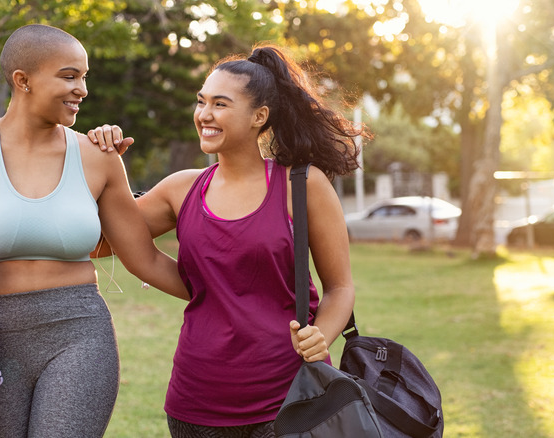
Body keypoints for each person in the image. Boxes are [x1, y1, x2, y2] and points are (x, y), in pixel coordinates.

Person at [0, 24, 189, 438]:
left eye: (84, 77)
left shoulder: (97, 156)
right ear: (23, 80)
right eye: (69, 76)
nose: (82, 89)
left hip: (79, 334)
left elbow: (145, 258)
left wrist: (225, 295)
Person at [90, 44, 364, 437]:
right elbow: (100, 243)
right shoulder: (180, 190)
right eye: (201, 102)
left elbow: (340, 287)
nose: (204, 114)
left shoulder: (302, 184)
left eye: (220, 104)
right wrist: (105, 164)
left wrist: (321, 335)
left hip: (291, 399)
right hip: (196, 403)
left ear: (260, 116)